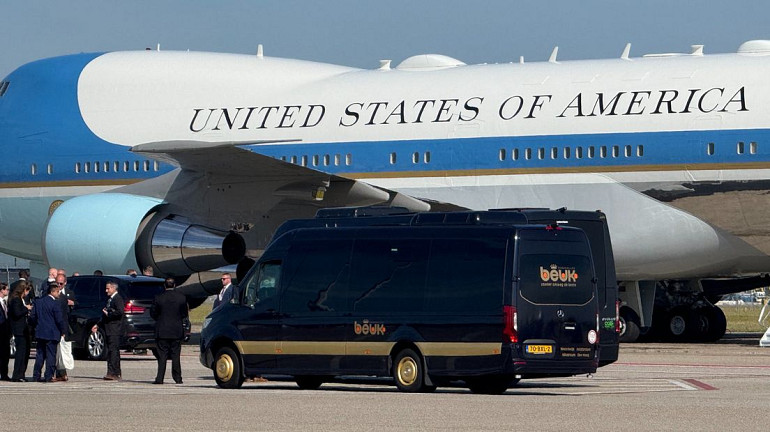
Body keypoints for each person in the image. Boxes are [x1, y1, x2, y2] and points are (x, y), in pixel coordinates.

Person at [150, 278, 188, 384]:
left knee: (162, 356)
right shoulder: (181, 298)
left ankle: (160, 378)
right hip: (176, 330)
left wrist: (160, 319)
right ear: (174, 285)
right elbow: (184, 313)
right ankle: (178, 378)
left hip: (162, 330)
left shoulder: (159, 298)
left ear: (164, 285)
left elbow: (153, 313)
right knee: (176, 355)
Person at [30, 283, 67, 383]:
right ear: (52, 292)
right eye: (57, 292)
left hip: (40, 331)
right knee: (51, 355)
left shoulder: (38, 302)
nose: (59, 294)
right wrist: (63, 330)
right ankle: (49, 376)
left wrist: (37, 325)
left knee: (40, 354)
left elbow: (33, 316)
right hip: (52, 332)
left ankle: (36, 375)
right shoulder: (55, 303)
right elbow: (59, 319)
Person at [92, 281, 124, 380]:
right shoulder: (110, 299)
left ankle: (114, 372)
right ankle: (113, 371)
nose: (106, 291)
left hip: (114, 329)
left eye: (108, 288)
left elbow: (119, 312)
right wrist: (98, 324)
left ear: (114, 288)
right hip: (108, 328)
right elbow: (105, 313)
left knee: (113, 351)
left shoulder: (117, 299)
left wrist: (109, 314)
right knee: (110, 351)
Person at [9, 282, 32, 381]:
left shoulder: (21, 300)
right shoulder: (16, 300)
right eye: (27, 291)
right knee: (20, 353)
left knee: (25, 352)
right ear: (23, 290)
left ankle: (21, 373)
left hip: (24, 328)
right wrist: (26, 309)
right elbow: (17, 313)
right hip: (19, 329)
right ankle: (17, 374)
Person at [54, 274, 75, 381]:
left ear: (65, 283)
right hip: (54, 325)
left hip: (65, 324)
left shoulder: (69, 293)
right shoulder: (51, 292)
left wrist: (72, 303)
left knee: (64, 350)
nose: (58, 285)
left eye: (61, 283)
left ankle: (62, 372)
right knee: (56, 350)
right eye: (57, 283)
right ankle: (59, 373)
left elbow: (76, 306)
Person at [0, 283, 10, 381]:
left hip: (5, 332)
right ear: (2, 290)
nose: (8, 291)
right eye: (6, 289)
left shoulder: (5, 302)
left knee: (5, 354)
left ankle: (4, 374)